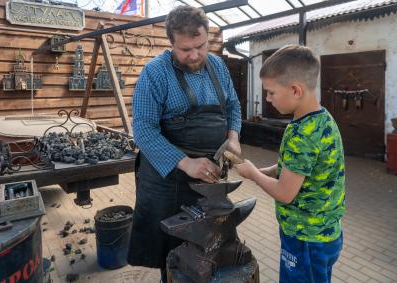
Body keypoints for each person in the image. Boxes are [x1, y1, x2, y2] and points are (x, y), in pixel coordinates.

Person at [127, 5, 242, 282]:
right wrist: (186, 163)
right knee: (170, 255)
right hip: (166, 183)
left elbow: (233, 106)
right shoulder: (155, 73)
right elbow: (143, 131)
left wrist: (233, 136)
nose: (194, 55)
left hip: (208, 179)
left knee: (209, 248)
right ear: (172, 44)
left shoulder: (217, 65)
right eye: (185, 49)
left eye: (200, 46)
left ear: (206, 37)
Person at [235, 45, 345, 283]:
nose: (267, 98)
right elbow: (297, 168)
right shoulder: (321, 119)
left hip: (306, 238)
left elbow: (285, 193)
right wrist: (261, 171)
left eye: (271, 92)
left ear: (295, 90)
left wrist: (254, 174)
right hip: (325, 236)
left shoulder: (302, 134)